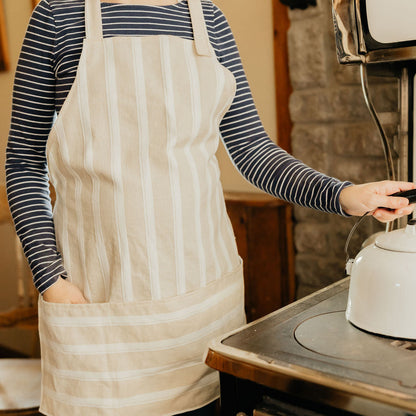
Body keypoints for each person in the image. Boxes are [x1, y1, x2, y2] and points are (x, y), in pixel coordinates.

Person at [5, 0, 415, 415]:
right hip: (99, 308)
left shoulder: (208, 20)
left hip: (202, 310)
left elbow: (253, 151)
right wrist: (51, 280)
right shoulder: (58, 17)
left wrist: (343, 196)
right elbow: (22, 162)